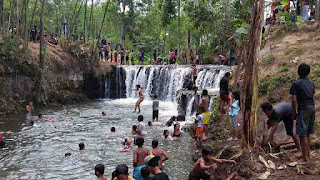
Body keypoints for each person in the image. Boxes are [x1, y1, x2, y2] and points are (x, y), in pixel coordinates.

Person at [290, 63, 315, 162]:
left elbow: (294, 100)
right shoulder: (312, 83)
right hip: (312, 107)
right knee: (308, 133)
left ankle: (305, 158)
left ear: (298, 71)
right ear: (308, 73)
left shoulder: (295, 84)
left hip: (303, 109)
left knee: (302, 134)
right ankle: (308, 155)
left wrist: (294, 111)